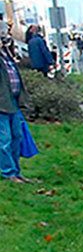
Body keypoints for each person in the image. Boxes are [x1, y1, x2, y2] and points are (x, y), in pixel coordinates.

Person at [0, 32, 32, 182]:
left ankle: (16, 172)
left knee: (17, 137)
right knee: (4, 140)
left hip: (13, 102)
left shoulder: (6, 55)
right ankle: (8, 172)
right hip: (2, 105)